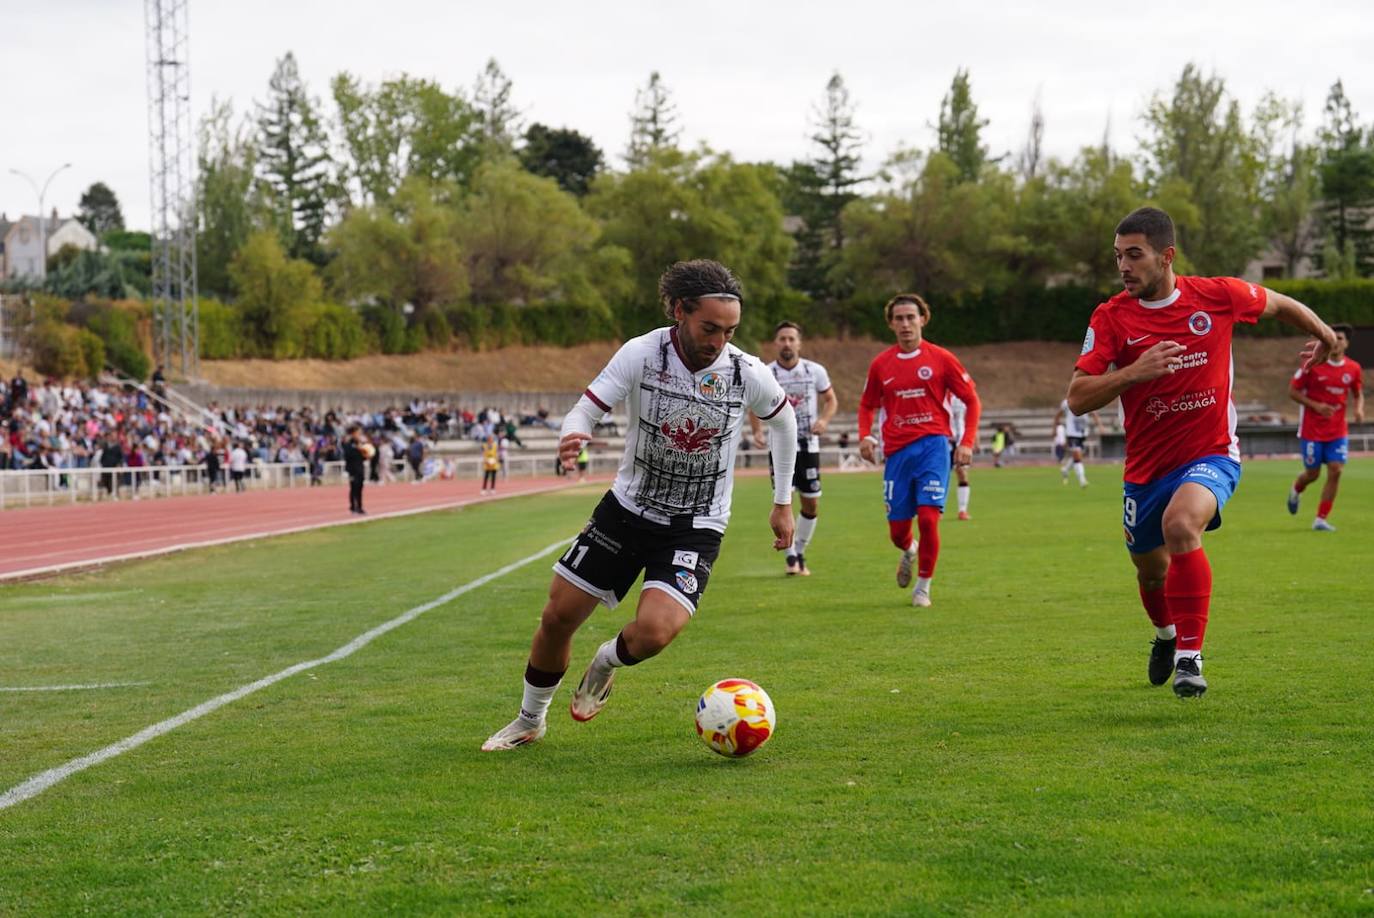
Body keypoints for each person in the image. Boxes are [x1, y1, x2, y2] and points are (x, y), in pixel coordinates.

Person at [482, 259, 797, 752]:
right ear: (680, 311)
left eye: (729, 331)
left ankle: (605, 663)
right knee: (557, 618)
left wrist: (782, 502)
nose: (719, 340)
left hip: (696, 523)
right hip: (627, 510)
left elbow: (784, 423)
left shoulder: (745, 371)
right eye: (709, 328)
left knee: (653, 632)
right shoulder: (643, 353)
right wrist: (574, 433)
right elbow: (587, 407)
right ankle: (529, 719)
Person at [1068, 206, 1338, 698]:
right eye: (1118, 256)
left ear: (1166, 256)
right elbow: (1077, 398)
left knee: (1181, 525)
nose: (1123, 266)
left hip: (1211, 455)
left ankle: (1191, 657)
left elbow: (1280, 303)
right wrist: (1134, 371)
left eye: (1135, 255)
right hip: (1146, 470)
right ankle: (1167, 636)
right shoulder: (1110, 318)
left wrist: (1325, 339)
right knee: (1151, 575)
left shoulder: (1217, 296)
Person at [858, 293, 981, 609]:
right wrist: (864, 436)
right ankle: (909, 549)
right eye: (899, 318)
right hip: (897, 454)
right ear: (890, 324)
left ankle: (923, 588)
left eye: (911, 317)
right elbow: (867, 404)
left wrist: (966, 441)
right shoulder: (880, 364)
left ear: (923, 319)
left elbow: (972, 400)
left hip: (934, 447)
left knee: (928, 519)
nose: (905, 324)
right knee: (898, 532)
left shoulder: (941, 358)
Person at [750, 320, 837, 575]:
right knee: (783, 499)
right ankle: (791, 559)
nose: (787, 343)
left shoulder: (814, 371)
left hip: (808, 444)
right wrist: (756, 430)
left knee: (811, 504)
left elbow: (831, 400)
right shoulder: (766, 372)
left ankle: (799, 550)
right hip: (779, 447)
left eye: (791, 339)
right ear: (775, 343)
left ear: (799, 343)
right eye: (782, 339)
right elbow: (754, 404)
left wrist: (823, 419)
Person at [1287, 322, 1363, 530]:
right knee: (1312, 474)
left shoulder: (1354, 368)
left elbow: (1357, 393)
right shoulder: (1313, 363)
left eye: (1340, 339)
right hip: (1312, 430)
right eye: (1332, 338)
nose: (1336, 342)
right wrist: (1317, 406)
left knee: (1336, 470)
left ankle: (1320, 519)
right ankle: (1296, 488)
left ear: (1346, 344)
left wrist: (1358, 409)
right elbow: (1292, 392)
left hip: (1337, 430)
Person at [1054, 399, 1102, 487]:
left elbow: (1094, 413)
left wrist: (1100, 426)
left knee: (1078, 455)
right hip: (1072, 434)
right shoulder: (1067, 403)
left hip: (1082, 434)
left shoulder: (1087, 399)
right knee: (1077, 456)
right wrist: (1054, 429)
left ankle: (1065, 469)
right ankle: (1082, 480)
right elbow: (1058, 415)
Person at [946, 394, 973, 520]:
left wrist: (964, 441)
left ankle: (962, 510)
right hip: (941, 441)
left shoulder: (959, 397)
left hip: (958, 441)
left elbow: (963, 419)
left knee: (962, 473)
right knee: (939, 476)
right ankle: (937, 509)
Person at [342, 425, 368, 514]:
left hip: (360, 468)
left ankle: (360, 507)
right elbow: (347, 455)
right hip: (352, 469)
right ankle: (353, 507)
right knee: (353, 487)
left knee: (360, 488)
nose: (359, 435)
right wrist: (357, 449)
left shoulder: (360, 443)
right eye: (358, 433)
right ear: (353, 433)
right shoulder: (348, 443)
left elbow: (364, 456)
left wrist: (364, 452)